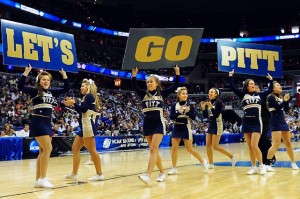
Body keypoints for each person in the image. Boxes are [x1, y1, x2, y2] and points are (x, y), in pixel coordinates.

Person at [18, 64, 70, 188]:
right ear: (39, 81)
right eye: (43, 79)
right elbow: (20, 86)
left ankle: (38, 180)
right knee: (48, 149)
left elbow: (66, 88)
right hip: (38, 122)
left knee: (42, 152)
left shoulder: (51, 92)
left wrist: (64, 75)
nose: (46, 81)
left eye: (48, 80)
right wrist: (26, 72)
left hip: (47, 123)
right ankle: (43, 178)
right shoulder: (34, 90)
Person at [132, 65, 180, 184]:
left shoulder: (162, 94)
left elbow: (175, 85)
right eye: (147, 82)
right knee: (154, 150)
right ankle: (162, 172)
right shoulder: (143, 94)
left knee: (153, 149)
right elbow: (134, 86)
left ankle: (148, 175)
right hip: (147, 125)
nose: (149, 83)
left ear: (157, 83)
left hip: (159, 124)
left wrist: (177, 73)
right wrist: (134, 75)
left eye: (151, 81)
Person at [229, 69, 273, 175]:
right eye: (251, 84)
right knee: (249, 146)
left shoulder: (260, 95)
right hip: (246, 122)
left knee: (254, 145)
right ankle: (253, 167)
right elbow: (233, 87)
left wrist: (271, 80)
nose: (253, 85)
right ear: (247, 86)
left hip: (257, 122)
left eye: (254, 83)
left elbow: (269, 89)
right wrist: (230, 76)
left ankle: (261, 165)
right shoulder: (243, 95)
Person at [64, 78, 104, 181]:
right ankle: (74, 173)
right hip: (84, 127)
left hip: (88, 127)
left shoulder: (89, 96)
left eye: (83, 86)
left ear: (88, 87)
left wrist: (73, 103)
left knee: (92, 151)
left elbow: (83, 109)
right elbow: (81, 110)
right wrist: (72, 104)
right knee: (75, 148)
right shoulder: (86, 97)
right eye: (81, 86)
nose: (81, 87)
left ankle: (99, 174)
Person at [168, 87, 209, 175]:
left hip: (186, 127)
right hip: (176, 127)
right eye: (183, 94)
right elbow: (171, 117)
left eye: (186, 94)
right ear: (179, 95)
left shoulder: (189, 106)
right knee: (174, 149)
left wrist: (188, 112)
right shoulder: (174, 105)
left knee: (189, 149)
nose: (185, 95)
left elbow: (194, 117)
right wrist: (179, 112)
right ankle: (174, 168)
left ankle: (203, 162)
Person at [265, 81, 299, 170]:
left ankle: (293, 162)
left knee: (288, 143)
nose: (280, 86)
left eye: (280, 85)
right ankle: (267, 164)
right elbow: (278, 107)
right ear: (272, 88)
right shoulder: (270, 97)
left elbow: (286, 109)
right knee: (276, 143)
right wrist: (284, 100)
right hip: (275, 121)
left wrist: (286, 101)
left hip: (282, 121)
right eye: (277, 85)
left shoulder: (279, 97)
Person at [200, 87, 237, 169]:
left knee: (215, 146)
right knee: (207, 145)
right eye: (209, 92)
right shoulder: (209, 102)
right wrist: (203, 109)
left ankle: (232, 156)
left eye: (212, 92)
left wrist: (211, 107)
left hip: (218, 125)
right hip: (211, 124)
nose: (209, 93)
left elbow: (216, 114)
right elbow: (206, 116)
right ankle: (211, 163)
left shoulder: (218, 103)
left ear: (216, 94)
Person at [256, 86, 276, 166]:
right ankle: (263, 159)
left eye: (257, 87)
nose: (256, 89)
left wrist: (270, 80)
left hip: (265, 120)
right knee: (259, 141)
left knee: (263, 137)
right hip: (256, 121)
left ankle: (271, 156)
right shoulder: (251, 98)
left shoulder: (263, 96)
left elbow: (269, 90)